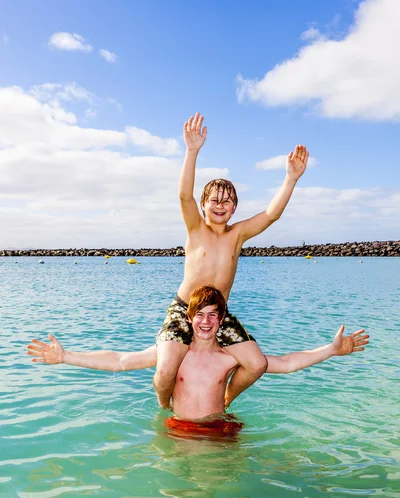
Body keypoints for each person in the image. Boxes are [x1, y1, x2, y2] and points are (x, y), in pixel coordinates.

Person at [27, 286, 369, 435]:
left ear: (222, 321)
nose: (206, 321)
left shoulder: (227, 358)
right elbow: (119, 360)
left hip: (221, 427)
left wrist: (331, 350)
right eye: (199, 314)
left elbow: (285, 362)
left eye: (213, 315)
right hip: (181, 429)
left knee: (226, 492)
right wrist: (66, 356)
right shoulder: (174, 354)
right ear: (189, 318)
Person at [154, 113, 310, 409]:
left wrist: (290, 178)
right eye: (214, 200)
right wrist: (192, 151)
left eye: (227, 201)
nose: (220, 205)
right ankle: (166, 404)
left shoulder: (238, 234)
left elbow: (271, 215)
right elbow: (183, 195)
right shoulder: (195, 228)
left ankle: (225, 399)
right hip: (184, 309)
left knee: (256, 364)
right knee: (164, 372)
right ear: (204, 205)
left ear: (234, 207)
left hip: (218, 313)